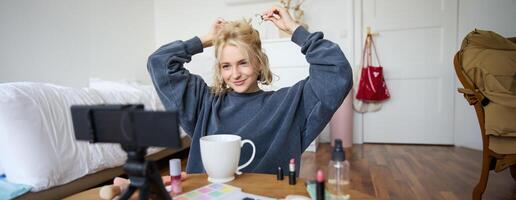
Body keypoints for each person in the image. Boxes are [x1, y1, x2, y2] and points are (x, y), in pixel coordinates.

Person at [147, 6, 352, 174]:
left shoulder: (288, 105)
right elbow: (159, 62)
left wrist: (294, 29)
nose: (235, 74)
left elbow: (337, 73)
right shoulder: (204, 104)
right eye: (226, 65)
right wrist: (208, 39)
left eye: (243, 63)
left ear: (259, 63)